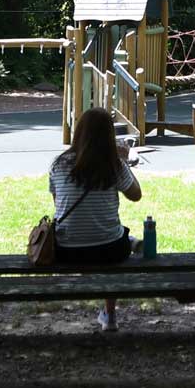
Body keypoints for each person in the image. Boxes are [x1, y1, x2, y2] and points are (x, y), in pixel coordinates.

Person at [51, 106, 143, 331]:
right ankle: (109, 315)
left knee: (107, 231)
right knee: (116, 236)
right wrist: (123, 160)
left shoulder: (59, 164)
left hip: (65, 250)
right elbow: (136, 195)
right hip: (109, 249)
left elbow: (58, 205)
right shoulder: (113, 165)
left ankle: (127, 239)